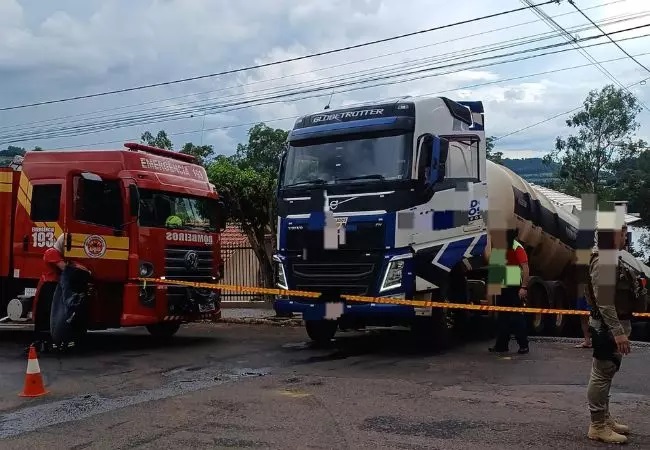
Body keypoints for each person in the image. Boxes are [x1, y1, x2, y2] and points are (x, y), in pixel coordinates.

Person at [585, 222, 645, 444]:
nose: (625, 236)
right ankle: (597, 425)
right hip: (607, 326)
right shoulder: (603, 261)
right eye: (623, 232)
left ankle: (605, 418)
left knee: (607, 372)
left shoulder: (612, 257)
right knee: (602, 373)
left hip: (614, 323)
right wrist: (618, 332)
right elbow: (605, 302)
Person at [489, 228, 530, 354]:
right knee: (502, 318)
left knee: (516, 317)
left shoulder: (517, 247)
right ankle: (501, 345)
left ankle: (523, 345)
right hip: (502, 286)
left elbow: (526, 268)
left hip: (513, 285)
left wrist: (523, 287)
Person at [33, 234, 67, 347]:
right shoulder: (52, 252)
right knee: (47, 312)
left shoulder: (55, 253)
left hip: (52, 285)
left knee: (49, 313)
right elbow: (64, 268)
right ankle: (43, 340)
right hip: (49, 285)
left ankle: (46, 339)